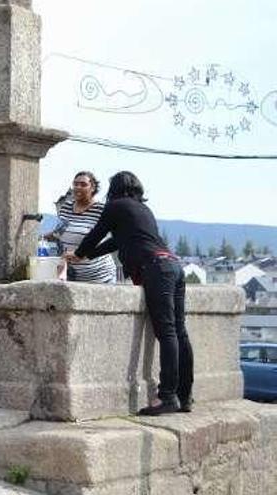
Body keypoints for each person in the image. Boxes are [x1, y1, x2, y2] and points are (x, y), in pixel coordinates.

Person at [65, 171, 193, 416]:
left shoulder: (115, 206)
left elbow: (97, 233)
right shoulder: (142, 209)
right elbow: (117, 242)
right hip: (173, 265)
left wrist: (79, 252)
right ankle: (184, 396)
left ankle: (167, 397)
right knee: (179, 332)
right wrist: (86, 255)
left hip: (155, 268)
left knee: (166, 333)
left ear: (114, 188)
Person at [48, 171, 116, 283]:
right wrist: (39, 238)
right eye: (75, 184)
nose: (78, 187)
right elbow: (59, 232)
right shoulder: (66, 207)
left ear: (92, 188)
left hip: (100, 276)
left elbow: (111, 239)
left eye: (83, 185)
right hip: (73, 275)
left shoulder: (101, 210)